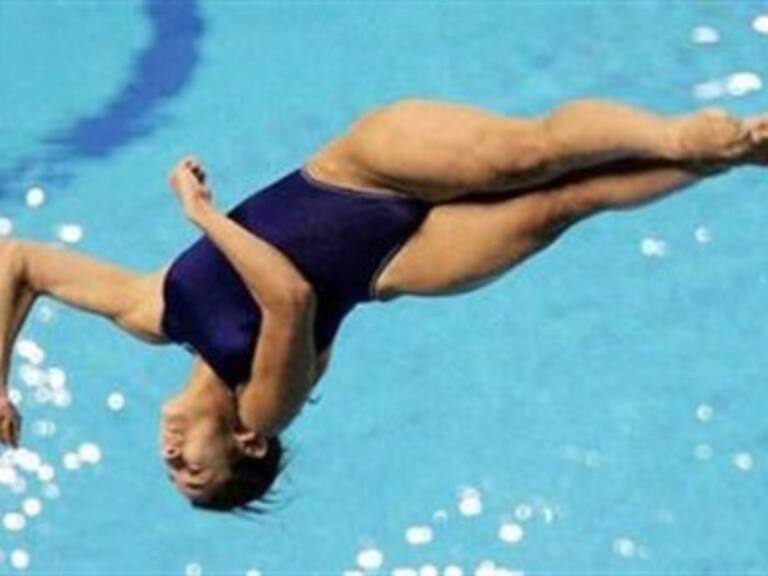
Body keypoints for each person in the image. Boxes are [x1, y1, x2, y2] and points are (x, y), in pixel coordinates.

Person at [0, 98, 765, 511]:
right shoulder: (263, 410)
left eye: (174, 472)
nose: (172, 459)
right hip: (401, 259)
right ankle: (724, 156)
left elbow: (20, 263)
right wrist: (202, 215)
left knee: (525, 155)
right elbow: (290, 298)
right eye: (195, 474)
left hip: (356, 171)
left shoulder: (152, 312)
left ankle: (675, 135)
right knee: (559, 206)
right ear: (246, 448)